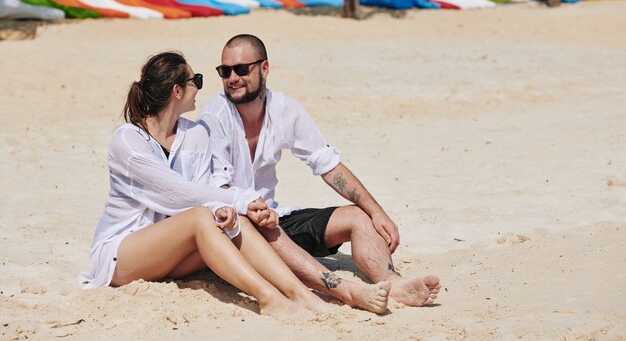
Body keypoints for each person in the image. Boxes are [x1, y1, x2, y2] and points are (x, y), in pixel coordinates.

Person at [78, 51, 336, 318]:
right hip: (121, 255)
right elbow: (174, 192)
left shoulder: (196, 134)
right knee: (203, 217)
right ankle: (268, 298)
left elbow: (203, 190)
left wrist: (225, 209)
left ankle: (300, 294)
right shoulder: (129, 142)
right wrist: (238, 199)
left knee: (234, 221)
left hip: (172, 254)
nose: (199, 87)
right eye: (195, 80)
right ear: (177, 91)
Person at [198, 35, 441, 313]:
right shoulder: (214, 116)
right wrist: (256, 211)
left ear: (264, 68)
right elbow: (216, 189)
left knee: (358, 217)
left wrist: (376, 211)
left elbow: (328, 165)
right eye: (224, 71)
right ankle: (344, 290)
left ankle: (393, 282)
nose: (232, 78)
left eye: (241, 69)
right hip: (235, 229)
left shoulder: (285, 109)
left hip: (273, 218)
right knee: (266, 229)